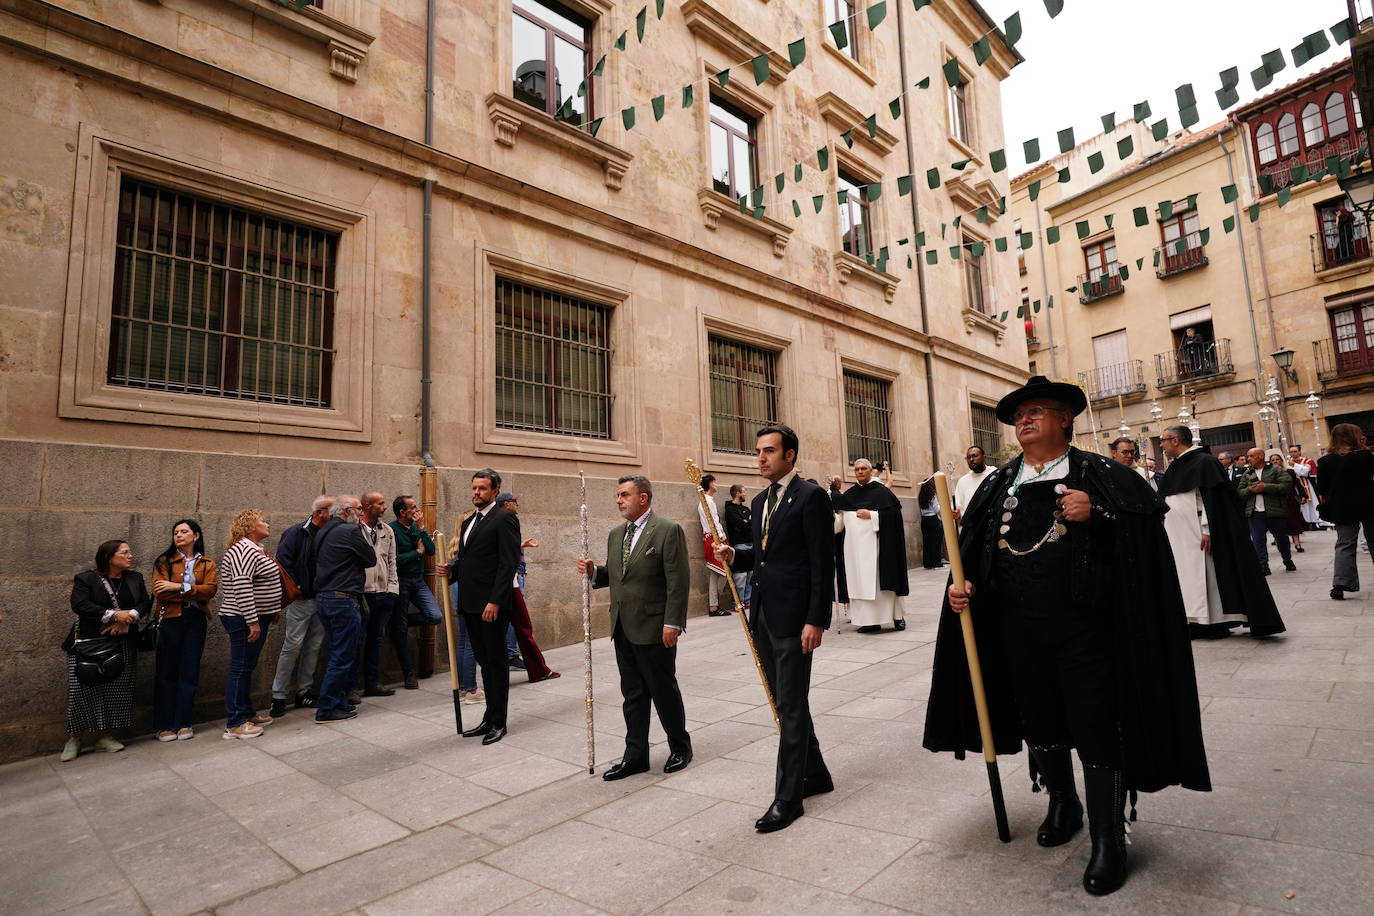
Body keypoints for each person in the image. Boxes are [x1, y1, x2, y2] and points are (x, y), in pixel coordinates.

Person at [924, 376, 1210, 897]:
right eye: (1019, 414)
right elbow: (973, 549)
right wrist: (961, 588)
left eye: (1038, 411)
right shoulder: (999, 481)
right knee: (1039, 717)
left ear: (1065, 420)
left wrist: (1097, 517)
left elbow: (1145, 543)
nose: (1025, 419)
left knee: (1097, 725)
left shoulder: (1101, 474)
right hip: (1016, 630)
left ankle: (1108, 839)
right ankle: (1063, 802)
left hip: (1087, 632)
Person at [715, 424, 835, 834]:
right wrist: (735, 554)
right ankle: (816, 773)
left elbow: (822, 562)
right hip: (763, 615)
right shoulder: (762, 499)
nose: (761, 458)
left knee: (791, 703)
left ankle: (789, 798)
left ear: (790, 456)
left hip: (796, 619)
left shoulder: (812, 496)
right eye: (758, 451)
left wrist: (816, 619)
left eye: (769, 451)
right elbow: (764, 555)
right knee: (786, 699)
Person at [577, 475, 693, 779]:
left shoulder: (667, 531)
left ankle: (680, 747)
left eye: (624, 495)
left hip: (656, 628)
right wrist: (593, 572)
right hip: (623, 627)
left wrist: (673, 622)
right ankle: (635, 755)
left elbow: (678, 582)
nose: (618, 500)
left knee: (663, 691)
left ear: (643, 498)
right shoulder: (616, 535)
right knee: (633, 694)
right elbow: (617, 576)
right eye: (617, 495)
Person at [1158, 426, 1285, 640]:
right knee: (1189, 577)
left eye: (1163, 440)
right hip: (1180, 534)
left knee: (1205, 575)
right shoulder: (1176, 466)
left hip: (1198, 530)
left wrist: (1208, 529)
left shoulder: (1205, 462)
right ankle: (1195, 619)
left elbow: (1213, 500)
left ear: (1175, 440)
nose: (1161, 445)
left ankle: (1212, 622)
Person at [61, 540, 151, 761]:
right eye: (125, 553)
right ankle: (75, 738)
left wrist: (128, 620)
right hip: (90, 643)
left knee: (116, 690)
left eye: (130, 552)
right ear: (109, 557)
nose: (130, 556)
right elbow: (80, 605)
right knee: (81, 690)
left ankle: (105, 736)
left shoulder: (135, 578)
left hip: (122, 641)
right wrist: (113, 615)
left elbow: (144, 603)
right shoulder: (86, 579)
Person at [449, 469, 521, 745]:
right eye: (474, 488)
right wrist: (451, 571)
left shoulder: (505, 518)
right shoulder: (469, 521)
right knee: (483, 662)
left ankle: (498, 722)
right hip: (470, 604)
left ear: (494, 491)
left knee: (496, 663)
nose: (476, 493)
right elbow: (468, 560)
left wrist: (495, 600)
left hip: (491, 605)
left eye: (482, 489)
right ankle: (488, 717)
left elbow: (507, 563)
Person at [150, 520, 219, 740]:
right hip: (170, 618)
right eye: (175, 532)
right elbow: (160, 591)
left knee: (189, 670)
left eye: (184, 531)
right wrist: (191, 591)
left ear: (196, 536)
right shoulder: (164, 561)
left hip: (195, 619)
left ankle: (183, 722)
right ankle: (164, 724)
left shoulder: (207, 563)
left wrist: (179, 587)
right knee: (167, 671)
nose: (178, 535)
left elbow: (210, 590)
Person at [311, 496, 377, 724]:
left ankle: (337, 702)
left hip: (325, 598)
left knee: (335, 652)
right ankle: (327, 708)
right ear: (347, 511)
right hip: (342, 599)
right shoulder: (349, 532)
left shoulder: (324, 531)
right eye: (359, 510)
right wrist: (361, 532)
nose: (361, 514)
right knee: (342, 656)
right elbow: (370, 558)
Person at [220, 510, 282, 739]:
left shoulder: (253, 549)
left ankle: (245, 712)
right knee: (240, 667)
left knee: (246, 666)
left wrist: (271, 611)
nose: (267, 524)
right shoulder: (243, 549)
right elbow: (242, 586)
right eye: (262, 521)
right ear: (249, 527)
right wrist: (252, 622)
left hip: (255, 616)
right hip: (242, 617)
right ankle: (235, 723)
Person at [270, 495, 332, 718]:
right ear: (320, 512)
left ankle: (304, 691)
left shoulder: (329, 533)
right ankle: (278, 695)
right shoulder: (297, 532)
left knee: (314, 646)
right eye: (330, 510)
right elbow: (283, 561)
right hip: (302, 599)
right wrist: (296, 587)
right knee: (292, 645)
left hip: (322, 597)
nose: (333, 515)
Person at [833, 458, 910, 633]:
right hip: (854, 552)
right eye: (857, 469)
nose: (860, 471)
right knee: (860, 585)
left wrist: (873, 516)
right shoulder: (848, 496)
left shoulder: (882, 492)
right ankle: (869, 622)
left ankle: (897, 617)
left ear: (870, 471)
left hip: (877, 550)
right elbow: (839, 526)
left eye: (863, 469)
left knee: (881, 584)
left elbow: (894, 517)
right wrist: (832, 516)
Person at [493, 492, 559, 683]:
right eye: (515, 502)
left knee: (509, 630)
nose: (517, 505)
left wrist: (521, 545)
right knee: (523, 628)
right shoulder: (507, 520)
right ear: (506, 504)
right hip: (508, 585)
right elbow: (504, 554)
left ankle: (532, 670)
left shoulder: (495, 521)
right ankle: (538, 670)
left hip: (504, 583)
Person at [358, 491, 408, 696]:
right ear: (368, 506)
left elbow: (392, 560)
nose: (385, 507)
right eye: (381, 503)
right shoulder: (354, 529)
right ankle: (352, 686)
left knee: (376, 640)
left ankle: (373, 683)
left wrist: (393, 588)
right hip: (363, 593)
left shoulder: (386, 530)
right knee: (357, 640)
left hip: (384, 593)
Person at [1317, 423, 1374, 600]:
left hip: (1342, 506)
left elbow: (1322, 488)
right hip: (1369, 503)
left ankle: (1340, 584)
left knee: (1345, 544)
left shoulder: (1325, 461)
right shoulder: (1365, 455)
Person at [390, 495, 443, 678]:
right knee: (401, 631)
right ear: (402, 512)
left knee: (435, 616)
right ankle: (408, 673)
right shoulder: (392, 529)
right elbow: (394, 560)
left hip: (418, 581)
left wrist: (421, 528)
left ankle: (397, 622)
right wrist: (416, 552)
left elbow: (431, 550)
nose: (417, 511)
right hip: (401, 582)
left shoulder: (415, 527)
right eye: (412, 508)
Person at [1237, 447, 1296, 575]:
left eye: (1251, 456)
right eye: (1248, 456)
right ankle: (1263, 566)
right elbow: (1239, 492)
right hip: (1255, 513)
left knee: (1281, 539)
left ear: (1260, 456)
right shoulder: (1248, 474)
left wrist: (1266, 487)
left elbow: (1286, 486)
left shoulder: (1275, 470)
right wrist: (1250, 490)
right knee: (1258, 540)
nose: (1248, 459)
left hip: (1274, 511)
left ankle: (1287, 560)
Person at [697, 475, 731, 616]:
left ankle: (714, 605)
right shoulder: (707, 500)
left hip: (711, 537)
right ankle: (714, 603)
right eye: (714, 482)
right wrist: (721, 538)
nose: (716, 484)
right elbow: (713, 521)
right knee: (722, 571)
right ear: (710, 484)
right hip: (714, 538)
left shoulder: (705, 500)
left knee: (717, 573)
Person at [724, 484, 753, 610]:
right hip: (739, 544)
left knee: (751, 575)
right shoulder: (730, 510)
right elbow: (743, 526)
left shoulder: (746, 509)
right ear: (737, 493)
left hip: (751, 544)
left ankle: (748, 601)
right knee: (741, 576)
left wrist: (748, 522)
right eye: (744, 492)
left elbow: (752, 525)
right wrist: (748, 521)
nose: (745, 494)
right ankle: (738, 602)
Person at [1272, 452, 1307, 553]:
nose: (1275, 461)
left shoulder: (1290, 471)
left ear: (1281, 460)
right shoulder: (1268, 474)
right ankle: (1280, 542)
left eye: (1277, 459)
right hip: (1276, 501)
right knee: (1278, 523)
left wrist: (1303, 495)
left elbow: (1298, 484)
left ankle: (1297, 544)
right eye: (1272, 460)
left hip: (1291, 500)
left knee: (1294, 521)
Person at [953, 446, 995, 521]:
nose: (971, 459)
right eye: (968, 457)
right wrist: (956, 513)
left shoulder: (995, 474)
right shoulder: (963, 481)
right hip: (971, 526)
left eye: (974, 456)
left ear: (984, 457)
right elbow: (958, 506)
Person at [1288, 445, 1322, 530]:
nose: (1293, 453)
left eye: (1295, 451)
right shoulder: (1287, 462)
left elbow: (1305, 472)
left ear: (1299, 452)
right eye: (1291, 452)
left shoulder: (1307, 461)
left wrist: (1294, 465)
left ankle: (1314, 522)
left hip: (1307, 486)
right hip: (1295, 487)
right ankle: (1303, 523)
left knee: (1310, 504)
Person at [918, 478, 944, 569]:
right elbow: (936, 509)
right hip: (933, 519)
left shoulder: (921, 496)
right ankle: (936, 562)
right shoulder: (932, 496)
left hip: (924, 520)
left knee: (927, 542)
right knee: (936, 541)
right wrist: (942, 506)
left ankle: (927, 563)